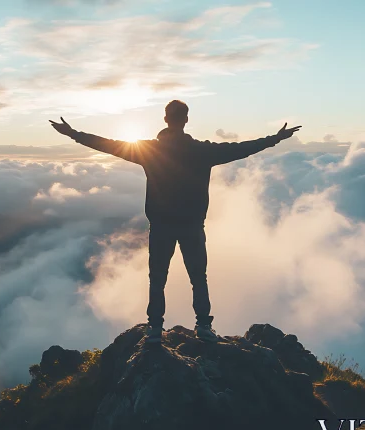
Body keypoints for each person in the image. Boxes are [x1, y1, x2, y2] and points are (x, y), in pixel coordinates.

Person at [50, 100, 300, 344]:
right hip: (192, 225)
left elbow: (108, 145)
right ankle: (203, 326)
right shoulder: (204, 151)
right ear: (186, 120)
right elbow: (243, 147)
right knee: (198, 277)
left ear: (166, 119)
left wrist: (73, 133)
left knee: (157, 278)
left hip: (161, 226)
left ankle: (155, 328)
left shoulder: (150, 151)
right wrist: (275, 139)